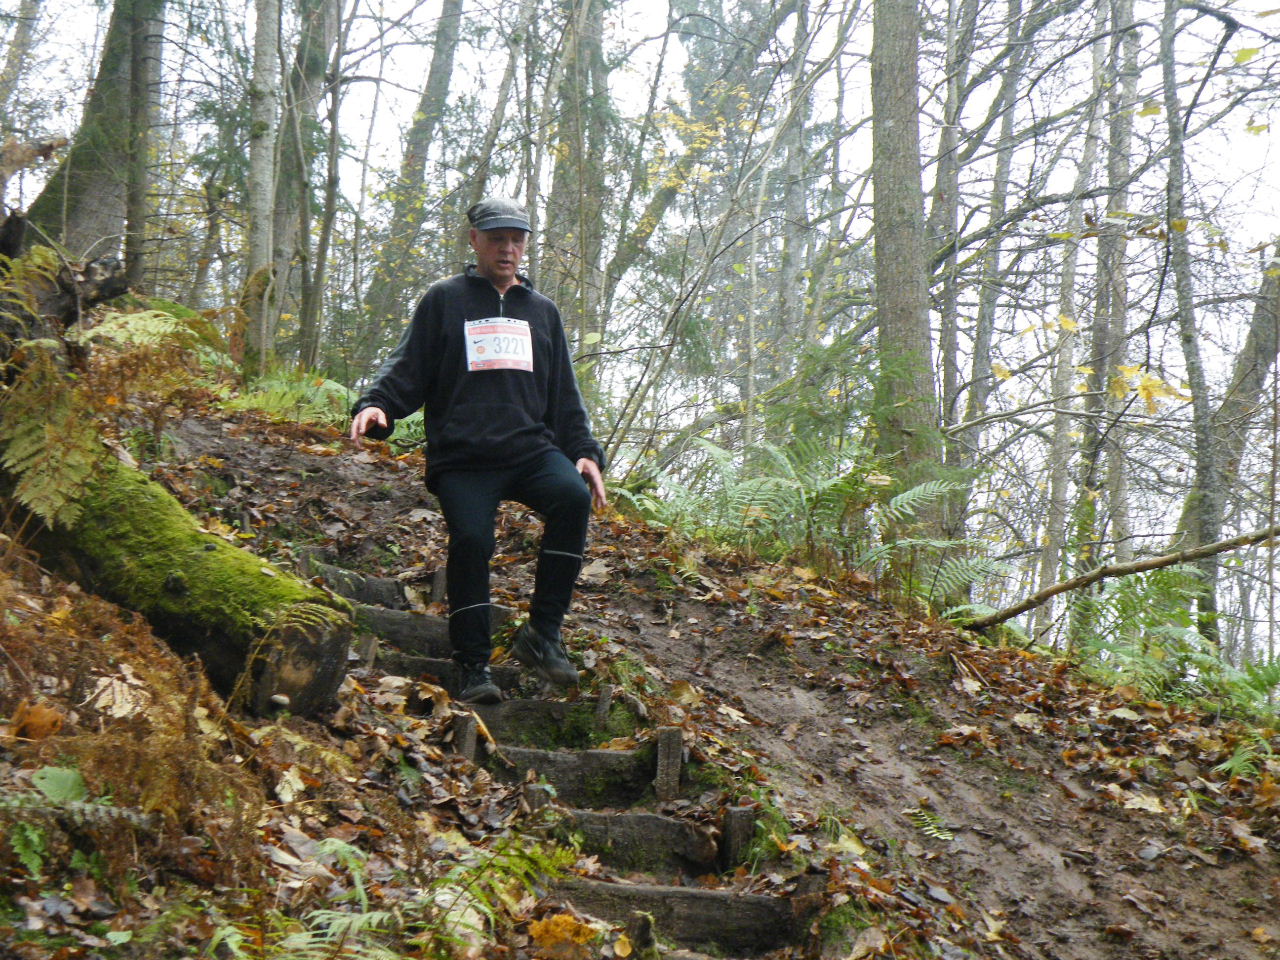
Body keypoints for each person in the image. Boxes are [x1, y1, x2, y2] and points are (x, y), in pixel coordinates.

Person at [349, 197, 607, 704]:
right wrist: (378, 405)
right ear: (474, 241)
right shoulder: (446, 299)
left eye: (516, 240)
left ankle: (543, 635)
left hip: (530, 451)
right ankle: (472, 666)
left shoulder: (542, 312)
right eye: (496, 239)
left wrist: (584, 450)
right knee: (471, 540)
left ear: (525, 245)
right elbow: (410, 366)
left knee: (572, 498)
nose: (507, 249)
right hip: (463, 456)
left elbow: (563, 393)